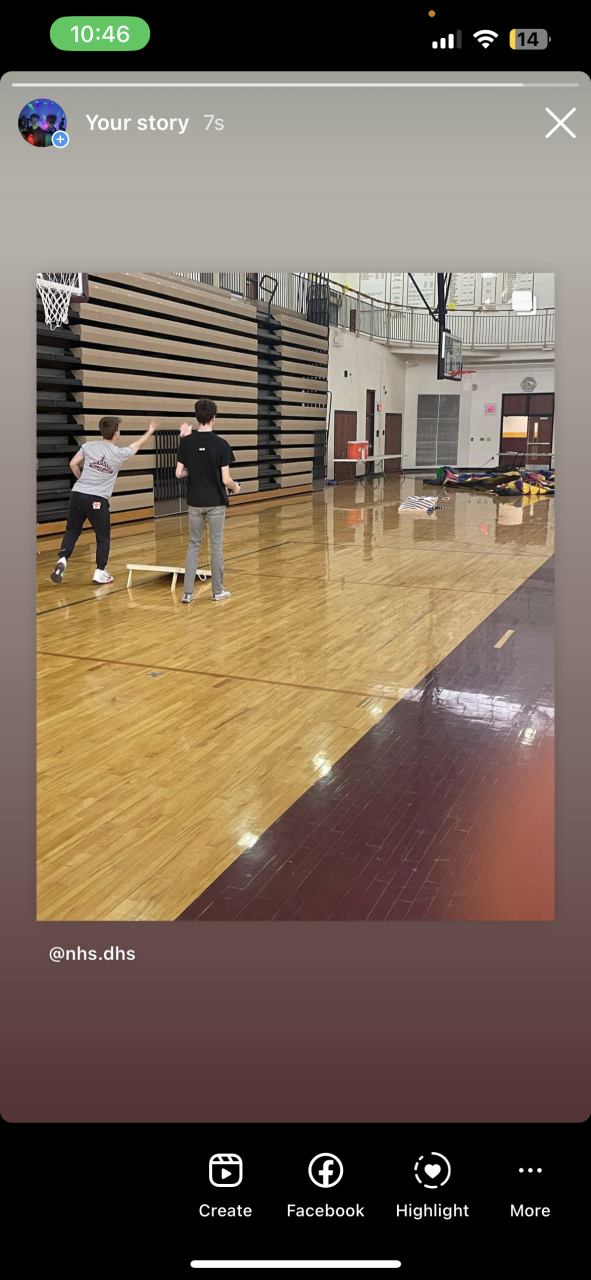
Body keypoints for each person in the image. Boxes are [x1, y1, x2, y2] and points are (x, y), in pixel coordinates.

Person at [50, 416, 158, 585]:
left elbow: (73, 464)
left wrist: (80, 479)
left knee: (72, 531)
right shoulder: (119, 453)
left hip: (77, 494)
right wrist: (150, 431)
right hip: (97, 499)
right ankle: (100, 571)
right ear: (117, 433)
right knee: (102, 537)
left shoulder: (88, 446)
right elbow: (136, 445)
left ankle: (62, 559)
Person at [175, 398, 240, 603]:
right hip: (215, 502)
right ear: (214, 417)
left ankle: (187, 593)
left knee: (193, 545)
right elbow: (225, 479)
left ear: (197, 417)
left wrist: (194, 470)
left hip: (195, 502)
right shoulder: (221, 444)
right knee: (216, 546)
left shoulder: (186, 442)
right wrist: (235, 487)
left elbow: (179, 473)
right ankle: (217, 591)